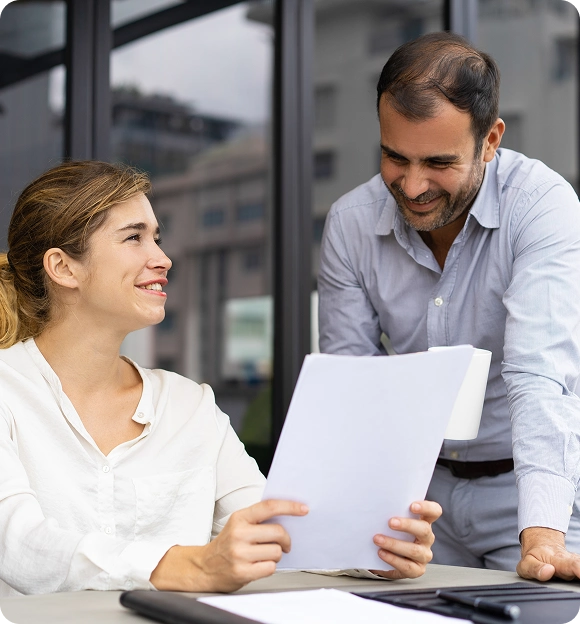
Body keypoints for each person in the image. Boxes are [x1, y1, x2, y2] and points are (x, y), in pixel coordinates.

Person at [0, 160, 440, 597]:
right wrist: (189, 565)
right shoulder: (8, 391)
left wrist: (372, 550)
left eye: (157, 237)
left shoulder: (191, 407)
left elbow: (275, 528)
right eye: (134, 238)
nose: (162, 258)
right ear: (63, 268)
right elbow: (20, 543)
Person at [318, 31, 580, 582]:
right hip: (416, 494)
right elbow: (351, 383)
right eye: (395, 157)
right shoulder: (349, 222)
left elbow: (540, 372)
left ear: (490, 141)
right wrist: (351, 517)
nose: (412, 186)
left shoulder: (542, 205)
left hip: (529, 491)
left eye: (438, 162)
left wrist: (543, 536)